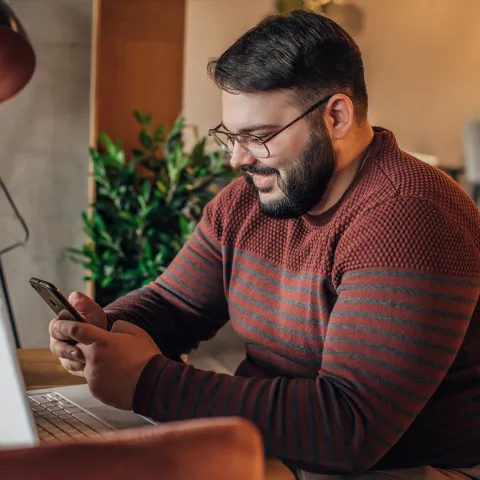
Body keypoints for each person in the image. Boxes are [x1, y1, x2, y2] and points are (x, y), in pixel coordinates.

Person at [49, 9, 480, 480]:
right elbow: (174, 304)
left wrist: (148, 383)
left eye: (258, 137)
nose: (237, 158)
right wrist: (106, 330)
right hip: (280, 451)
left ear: (336, 116)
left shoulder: (409, 216)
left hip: (404, 468)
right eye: (230, 137)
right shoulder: (251, 200)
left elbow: (350, 426)